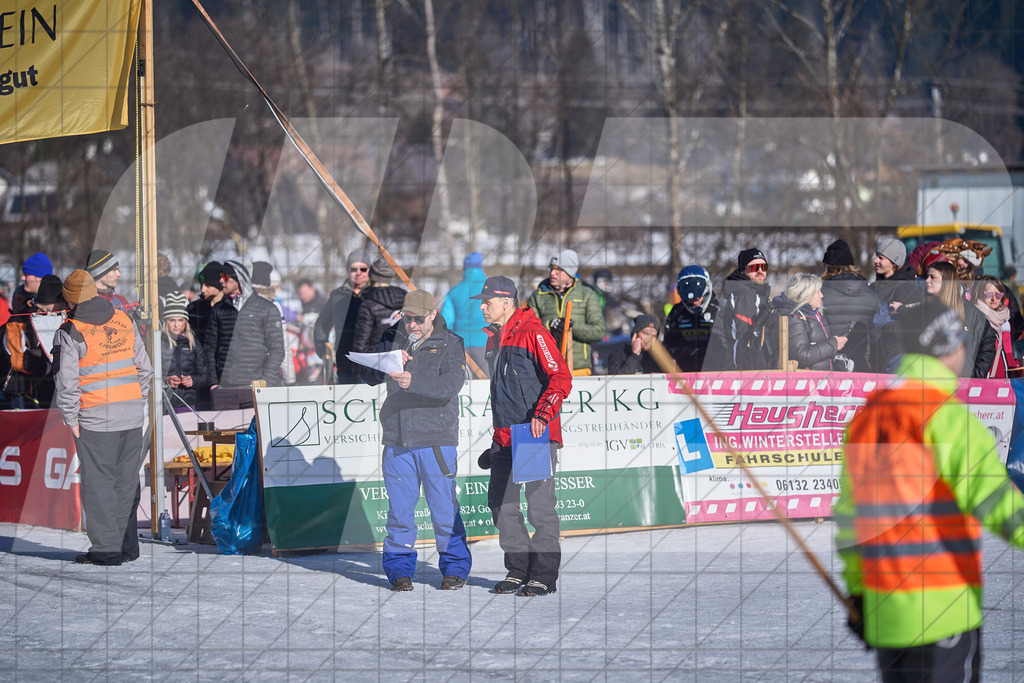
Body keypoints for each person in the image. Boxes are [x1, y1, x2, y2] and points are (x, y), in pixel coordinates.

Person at [835, 299, 1024, 682]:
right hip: (944, 609)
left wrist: (859, 593)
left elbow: (851, 523)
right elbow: (998, 505)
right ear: (947, 346)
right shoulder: (950, 419)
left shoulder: (869, 418)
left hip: (885, 610)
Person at [363, 289, 472, 591]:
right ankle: (399, 570)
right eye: (406, 318)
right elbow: (364, 373)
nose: (411, 324)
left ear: (433, 315)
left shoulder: (451, 343)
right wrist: (382, 363)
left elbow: (452, 384)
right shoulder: (392, 337)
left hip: (436, 438)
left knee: (443, 508)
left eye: (418, 319)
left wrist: (414, 381)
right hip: (398, 438)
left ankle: (455, 568)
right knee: (399, 511)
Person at [472, 276, 572, 596]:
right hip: (504, 436)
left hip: (531, 433)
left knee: (539, 507)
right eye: (482, 301)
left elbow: (560, 377)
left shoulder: (533, 332)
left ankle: (543, 574)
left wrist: (542, 414)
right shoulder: (493, 338)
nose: (482, 307)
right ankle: (518, 568)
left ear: (506, 302)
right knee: (501, 506)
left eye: (487, 301)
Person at [53, 270, 153, 566]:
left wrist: (72, 420)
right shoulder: (124, 319)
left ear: (70, 299)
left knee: (99, 484)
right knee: (125, 481)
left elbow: (66, 382)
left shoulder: (70, 330)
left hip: (95, 418)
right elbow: (144, 370)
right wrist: (137, 401)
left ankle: (106, 550)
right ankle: (127, 546)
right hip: (132, 415)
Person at [900, 261, 995, 378]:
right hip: (927, 381)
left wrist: (977, 373)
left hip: (963, 384)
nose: (927, 280)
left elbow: (988, 341)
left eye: (932, 277)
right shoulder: (923, 310)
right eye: (927, 276)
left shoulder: (971, 312)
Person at [204, 258, 285, 389]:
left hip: (256, 386)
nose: (221, 281)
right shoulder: (218, 309)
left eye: (225, 277)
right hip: (225, 387)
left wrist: (266, 382)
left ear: (239, 278)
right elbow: (209, 348)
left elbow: (277, 350)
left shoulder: (267, 308)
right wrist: (213, 382)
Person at [527, 249, 605, 376]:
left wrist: (571, 327)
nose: (552, 273)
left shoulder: (587, 294)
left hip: (579, 369)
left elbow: (599, 331)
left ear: (570, 272)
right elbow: (528, 332)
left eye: (558, 270)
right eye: (551, 269)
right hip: (546, 369)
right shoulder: (538, 296)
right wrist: (550, 325)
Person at [1, 274, 68, 408]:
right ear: (54, 301)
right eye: (63, 302)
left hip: (51, 393)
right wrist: (47, 366)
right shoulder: (18, 321)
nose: (65, 306)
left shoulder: (60, 317)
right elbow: (18, 360)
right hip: (21, 393)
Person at [820, 239, 882, 372]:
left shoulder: (819, 295)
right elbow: (876, 335)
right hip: (862, 366)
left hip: (831, 365)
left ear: (828, 266)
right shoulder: (873, 295)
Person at [705, 248, 772, 370]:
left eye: (763, 267)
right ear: (742, 270)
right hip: (746, 372)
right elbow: (746, 338)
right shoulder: (744, 295)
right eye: (754, 268)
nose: (760, 271)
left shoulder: (752, 293)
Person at [314, 249, 371, 383]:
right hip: (346, 364)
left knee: (374, 403)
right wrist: (323, 350)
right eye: (353, 269)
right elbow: (322, 324)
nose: (358, 273)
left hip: (373, 365)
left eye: (363, 268)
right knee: (348, 403)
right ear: (347, 271)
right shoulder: (337, 296)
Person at [772, 273, 849, 371]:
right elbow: (802, 356)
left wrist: (837, 358)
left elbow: (819, 350)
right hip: (805, 382)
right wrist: (832, 344)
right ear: (805, 294)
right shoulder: (793, 318)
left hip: (821, 379)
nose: (821, 295)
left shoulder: (816, 315)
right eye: (818, 292)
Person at [440, 251, 489, 375]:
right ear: (481, 266)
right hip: (487, 343)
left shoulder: (454, 291)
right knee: (487, 385)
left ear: (464, 268)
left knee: (465, 384)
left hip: (461, 345)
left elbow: (447, 321)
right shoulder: (491, 289)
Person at [161, 292, 212, 408]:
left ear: (186, 322)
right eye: (172, 320)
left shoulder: (194, 344)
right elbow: (150, 375)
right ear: (165, 321)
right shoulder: (159, 343)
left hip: (189, 404)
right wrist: (166, 380)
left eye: (180, 320)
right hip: (165, 404)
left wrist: (193, 380)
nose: (176, 325)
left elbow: (206, 375)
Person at [663, 266, 719, 372]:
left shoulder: (721, 311)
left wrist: (709, 352)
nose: (694, 302)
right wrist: (681, 351)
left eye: (697, 298)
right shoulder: (676, 313)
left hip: (714, 372)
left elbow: (729, 345)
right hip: (685, 373)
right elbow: (668, 344)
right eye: (689, 300)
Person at [352, 258, 407, 357]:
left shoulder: (368, 302)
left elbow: (361, 341)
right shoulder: (405, 297)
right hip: (401, 357)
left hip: (375, 360)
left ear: (371, 277)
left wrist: (359, 369)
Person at [972, 276, 1021, 378]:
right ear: (980, 294)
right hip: (984, 381)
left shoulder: (1005, 322)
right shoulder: (975, 319)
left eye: (998, 294)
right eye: (988, 294)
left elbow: (1009, 353)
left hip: (1004, 380)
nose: (994, 298)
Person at [187, 261, 224, 348]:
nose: (203, 289)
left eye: (208, 285)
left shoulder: (229, 310)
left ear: (218, 285)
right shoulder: (193, 309)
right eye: (201, 285)